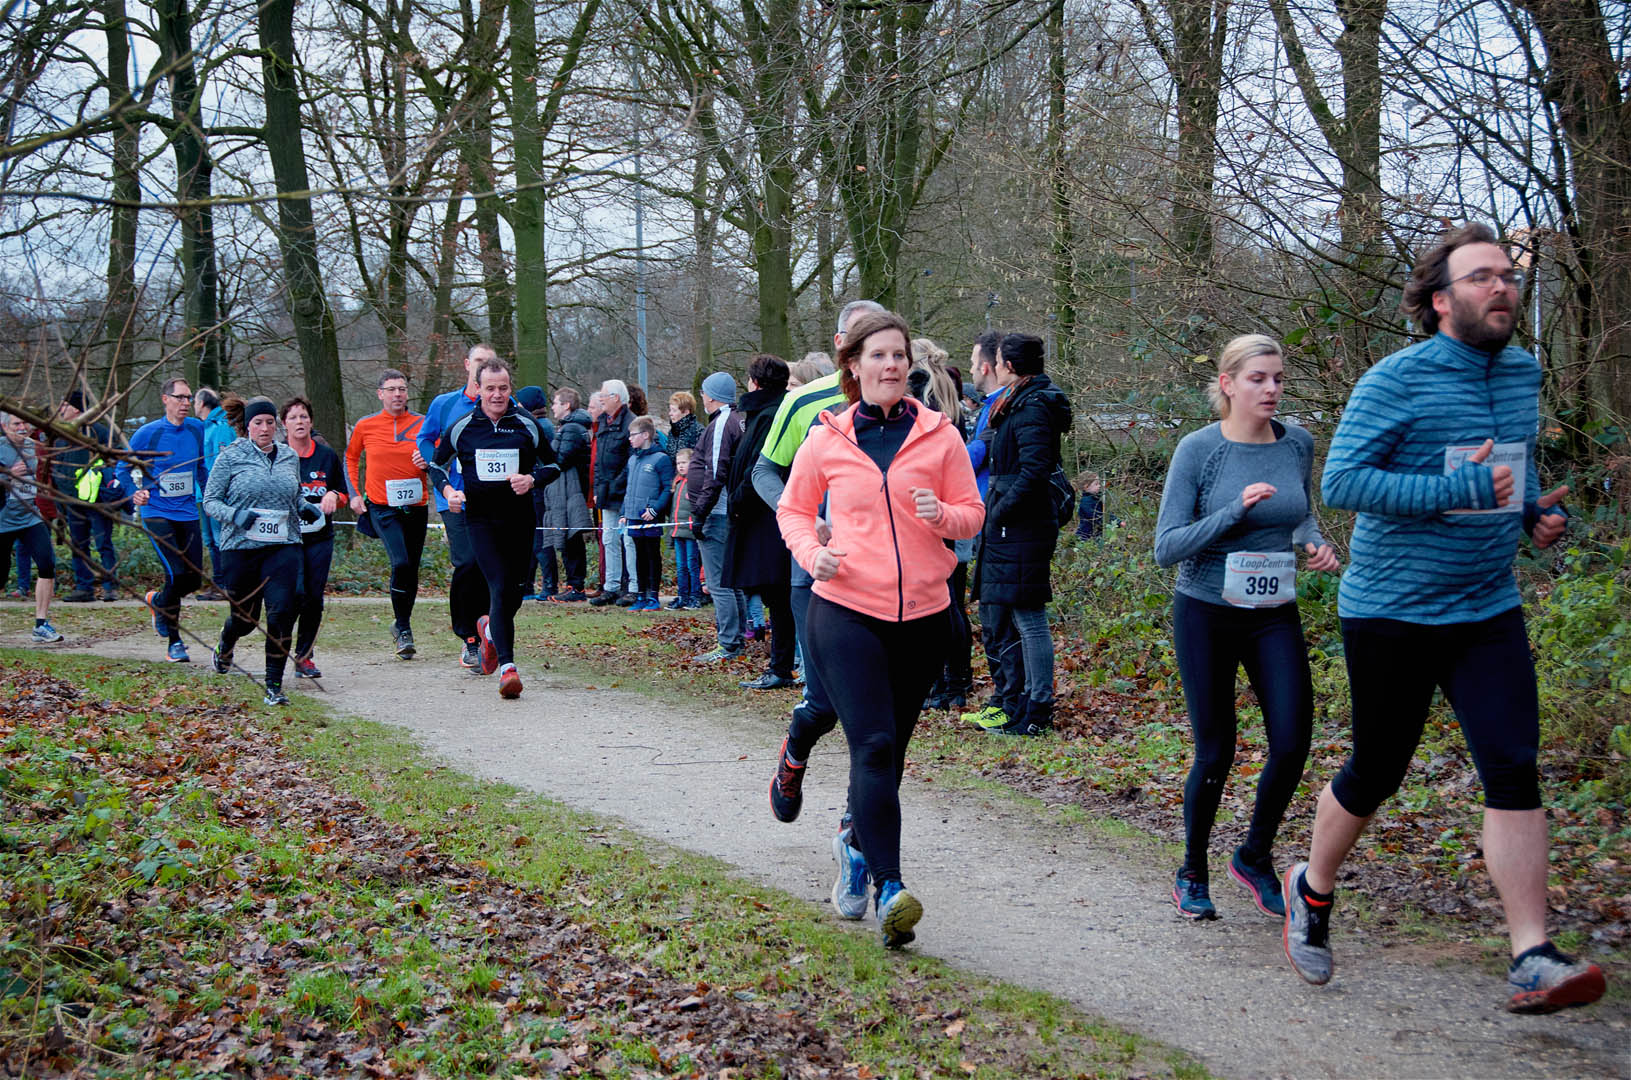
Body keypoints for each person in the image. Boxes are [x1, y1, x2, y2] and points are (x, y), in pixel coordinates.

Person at [1282, 224, 1607, 1014]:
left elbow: (1503, 471)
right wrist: (1453, 492)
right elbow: (1344, 482)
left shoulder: (1522, 372)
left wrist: (1529, 515)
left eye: (1507, 276)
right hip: (1391, 609)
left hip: (1485, 606)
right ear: (1438, 300)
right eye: (1480, 277)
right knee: (1377, 770)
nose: (1501, 287)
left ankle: (1530, 954)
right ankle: (1310, 887)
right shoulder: (1396, 379)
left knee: (1512, 766)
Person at [774, 309, 984, 947]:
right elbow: (793, 510)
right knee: (872, 744)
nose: (891, 365)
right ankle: (891, 887)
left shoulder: (940, 436)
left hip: (924, 616)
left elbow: (972, 514)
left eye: (899, 355)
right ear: (854, 365)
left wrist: (942, 514)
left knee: (891, 752)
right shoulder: (827, 437)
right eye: (879, 355)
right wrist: (812, 553)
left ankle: (854, 842)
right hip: (844, 609)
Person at [1153, 334, 1339, 921]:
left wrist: (1314, 542)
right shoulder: (1199, 450)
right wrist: (1235, 512)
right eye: (1258, 378)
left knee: (1293, 740)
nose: (1272, 389)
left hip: (1273, 612)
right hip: (1206, 611)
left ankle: (1254, 856)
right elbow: (1166, 546)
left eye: (1278, 378)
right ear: (1228, 384)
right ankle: (1192, 871)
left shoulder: (1297, 443)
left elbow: (1300, 513)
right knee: (1217, 750)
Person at [757, 300, 889, 920]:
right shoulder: (806, 401)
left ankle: (855, 833)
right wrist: (810, 523)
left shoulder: (914, 409)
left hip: (889, 589)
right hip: (818, 579)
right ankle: (795, 752)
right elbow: (765, 473)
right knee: (826, 704)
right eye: (864, 342)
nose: (881, 359)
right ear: (842, 348)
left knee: (877, 723)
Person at [426, 357, 559, 699]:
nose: (497, 395)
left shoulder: (527, 424)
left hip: (520, 520)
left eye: (503, 388)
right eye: (490, 389)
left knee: (514, 592)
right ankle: (508, 669)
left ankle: (488, 631)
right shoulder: (463, 427)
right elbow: (436, 466)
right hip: (481, 520)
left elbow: (554, 465)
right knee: (498, 587)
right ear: (478, 389)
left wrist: (532, 479)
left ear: (510, 388)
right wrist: (449, 492)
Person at [970, 333, 1073, 737]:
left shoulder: (1031, 406)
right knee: (1018, 615)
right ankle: (1026, 704)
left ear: (1009, 366)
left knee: (1029, 617)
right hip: (1014, 523)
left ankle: (1038, 709)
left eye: (997, 361)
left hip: (1023, 525)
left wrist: (998, 511)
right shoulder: (1019, 401)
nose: (993, 367)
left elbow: (1033, 471)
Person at [201, 396, 311, 706]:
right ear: (247, 426)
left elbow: (295, 495)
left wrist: (306, 507)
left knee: (282, 612)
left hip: (283, 546)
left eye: (269, 422)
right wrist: (236, 515)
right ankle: (226, 642)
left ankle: (274, 686)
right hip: (241, 549)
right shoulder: (230, 457)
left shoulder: (289, 456)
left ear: (277, 425)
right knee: (246, 619)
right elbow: (210, 502)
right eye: (258, 423)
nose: (264, 428)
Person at [416, 344, 498, 669]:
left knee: (489, 565)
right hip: (454, 498)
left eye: (488, 363)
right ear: (467, 364)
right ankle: (469, 638)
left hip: (492, 500)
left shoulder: (503, 404)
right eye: (478, 362)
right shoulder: (445, 403)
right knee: (466, 562)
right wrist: (433, 460)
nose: (482, 367)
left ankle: (489, 630)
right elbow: (425, 438)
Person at [117, 376, 209, 662]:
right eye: (180, 397)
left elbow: (201, 468)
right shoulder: (148, 433)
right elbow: (121, 469)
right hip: (156, 512)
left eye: (188, 397)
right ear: (165, 399)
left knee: (193, 580)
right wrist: (135, 493)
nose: (185, 403)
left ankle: (157, 601)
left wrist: (210, 496)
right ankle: (174, 641)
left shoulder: (196, 428)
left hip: (187, 512)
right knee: (175, 574)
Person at [725, 354, 795, 690]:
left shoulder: (770, 416)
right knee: (776, 595)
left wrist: (738, 500)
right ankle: (781, 663)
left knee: (780, 594)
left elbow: (759, 467)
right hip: (760, 515)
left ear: (754, 382)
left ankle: (782, 666)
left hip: (767, 516)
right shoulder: (761, 414)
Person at [346, 368, 427, 659]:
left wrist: (427, 460)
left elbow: (439, 456)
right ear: (380, 394)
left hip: (416, 506)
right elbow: (350, 457)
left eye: (402, 389)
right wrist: (354, 494)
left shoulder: (422, 423)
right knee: (401, 562)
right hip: (382, 506)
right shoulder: (366, 425)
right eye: (391, 389)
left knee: (411, 569)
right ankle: (403, 627)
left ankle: (402, 624)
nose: (397, 394)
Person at [959, 329, 1015, 730]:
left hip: (995, 519)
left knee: (1000, 615)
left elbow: (976, 454)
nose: (972, 368)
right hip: (985, 515)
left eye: (974, 361)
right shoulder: (992, 406)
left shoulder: (1003, 407)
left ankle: (1009, 699)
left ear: (987, 366)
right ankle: (1004, 696)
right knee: (991, 613)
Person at [282, 396, 348, 679]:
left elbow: (343, 492)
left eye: (304, 417)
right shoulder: (276, 456)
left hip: (319, 537)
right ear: (284, 424)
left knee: (313, 597)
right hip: (286, 539)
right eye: (293, 417)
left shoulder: (326, 456)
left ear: (311, 422)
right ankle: (279, 649)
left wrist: (333, 495)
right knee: (293, 595)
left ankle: (304, 656)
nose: (300, 422)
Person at [687, 372, 747, 659]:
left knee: (720, 583)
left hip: (717, 512)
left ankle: (729, 643)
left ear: (711, 396)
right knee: (729, 581)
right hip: (722, 511)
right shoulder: (732, 420)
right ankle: (736, 638)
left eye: (704, 392)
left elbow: (715, 471)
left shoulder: (723, 422)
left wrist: (701, 512)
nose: (702, 397)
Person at [50, 390, 120, 602]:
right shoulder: (61, 436)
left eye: (65, 405)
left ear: (76, 409)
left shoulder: (99, 432)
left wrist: (103, 480)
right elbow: (57, 467)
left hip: (97, 501)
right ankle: (84, 588)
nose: (61, 409)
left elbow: (117, 457)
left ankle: (110, 587)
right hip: (73, 502)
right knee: (78, 546)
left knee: (103, 544)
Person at [1, 411, 64, 642]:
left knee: (47, 564)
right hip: (2, 520)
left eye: (24, 423)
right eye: (16, 423)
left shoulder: (34, 447)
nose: (22, 427)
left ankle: (41, 624)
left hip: (30, 517)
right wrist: (8, 475)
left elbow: (45, 478)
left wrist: (53, 509)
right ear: (4, 426)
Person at [620, 416, 675, 611]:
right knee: (639, 555)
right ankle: (641, 595)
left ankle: (653, 596)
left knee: (652, 555)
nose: (630, 439)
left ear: (645, 435)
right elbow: (628, 489)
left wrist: (655, 509)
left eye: (633, 435)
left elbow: (667, 488)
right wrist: (624, 512)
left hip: (650, 517)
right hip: (634, 516)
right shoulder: (632, 459)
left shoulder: (661, 459)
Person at [544, 387, 594, 603]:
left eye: (556, 403)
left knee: (572, 538)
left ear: (566, 405)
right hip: (567, 490)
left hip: (572, 491)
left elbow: (561, 459)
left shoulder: (572, 429)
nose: (553, 407)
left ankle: (576, 585)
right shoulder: (568, 427)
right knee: (568, 537)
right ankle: (572, 584)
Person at [590, 380, 636, 606]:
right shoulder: (602, 422)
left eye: (604, 395)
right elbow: (599, 461)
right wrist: (599, 489)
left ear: (616, 397)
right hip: (606, 493)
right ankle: (611, 586)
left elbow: (631, 462)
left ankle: (632, 587)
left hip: (625, 494)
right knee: (609, 540)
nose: (600, 399)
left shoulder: (630, 423)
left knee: (628, 540)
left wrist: (614, 486)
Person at [194, 387, 236, 598]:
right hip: (203, 494)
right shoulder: (205, 427)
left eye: (194, 401)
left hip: (216, 496)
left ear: (202, 403)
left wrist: (216, 496)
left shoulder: (221, 426)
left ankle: (226, 585)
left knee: (220, 540)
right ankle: (218, 584)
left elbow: (222, 463)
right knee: (210, 540)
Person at [516, 386, 557, 600]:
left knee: (540, 538)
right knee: (531, 538)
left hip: (539, 489)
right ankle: (527, 585)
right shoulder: (540, 424)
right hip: (534, 488)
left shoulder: (539, 427)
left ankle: (548, 585)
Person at [668, 448, 701, 608]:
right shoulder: (677, 483)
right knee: (681, 566)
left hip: (690, 532)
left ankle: (695, 596)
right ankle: (683, 596)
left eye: (684, 462)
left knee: (692, 565)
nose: (680, 466)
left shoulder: (695, 483)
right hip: (677, 531)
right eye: (678, 463)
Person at [667, 392, 703, 460]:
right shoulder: (672, 432)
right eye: (670, 410)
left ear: (686, 412)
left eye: (674, 410)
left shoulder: (698, 431)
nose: (670, 413)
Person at [1075, 472, 1105, 540]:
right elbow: (1097, 516)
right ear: (1086, 486)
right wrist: (1117, 522)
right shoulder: (1086, 502)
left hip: (1092, 535)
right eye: (1096, 484)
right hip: (1084, 536)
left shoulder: (1095, 499)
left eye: (1099, 483)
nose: (1099, 486)